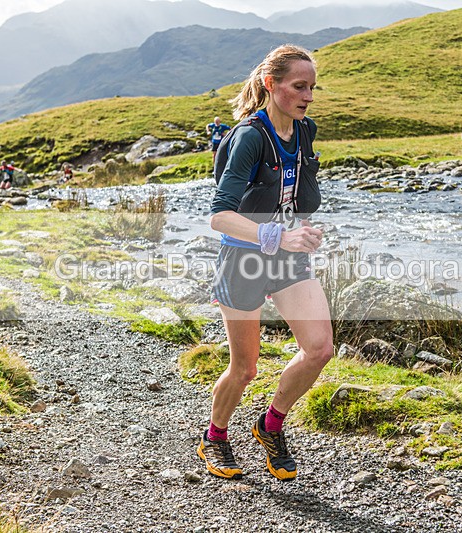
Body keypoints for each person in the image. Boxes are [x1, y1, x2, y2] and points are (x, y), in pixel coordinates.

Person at [200, 45, 332, 481]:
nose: (308, 95)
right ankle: (215, 437)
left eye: (312, 87)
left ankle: (270, 425)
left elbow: (293, 193)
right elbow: (220, 214)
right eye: (299, 86)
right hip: (243, 260)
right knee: (245, 369)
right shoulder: (249, 137)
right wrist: (278, 234)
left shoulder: (304, 130)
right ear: (270, 85)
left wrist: (303, 230)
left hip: (288, 260)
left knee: (319, 349)